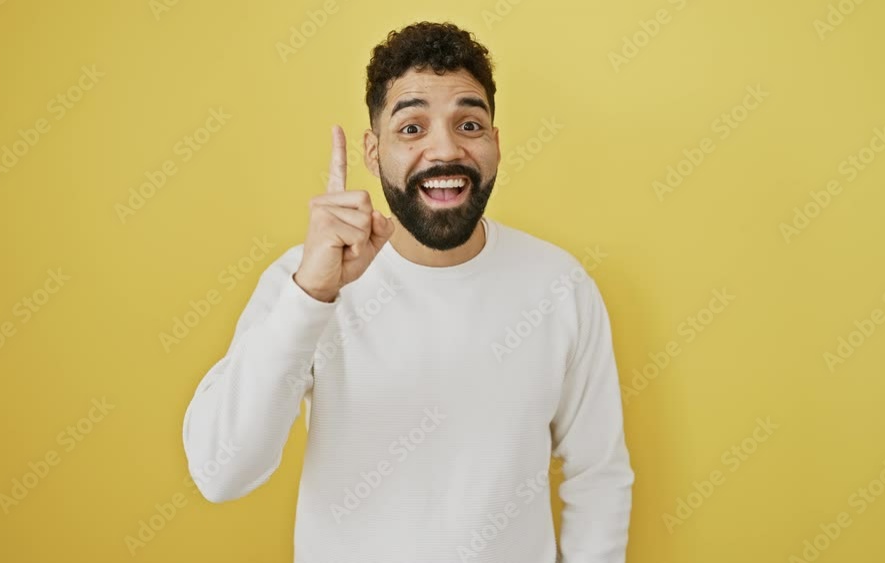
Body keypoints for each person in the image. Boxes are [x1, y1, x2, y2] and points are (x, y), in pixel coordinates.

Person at [182, 21, 634, 563]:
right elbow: (220, 472)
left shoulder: (560, 286)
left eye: (469, 123)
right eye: (412, 128)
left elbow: (598, 475)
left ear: (496, 142)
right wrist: (312, 297)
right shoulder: (303, 282)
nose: (445, 149)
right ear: (372, 153)